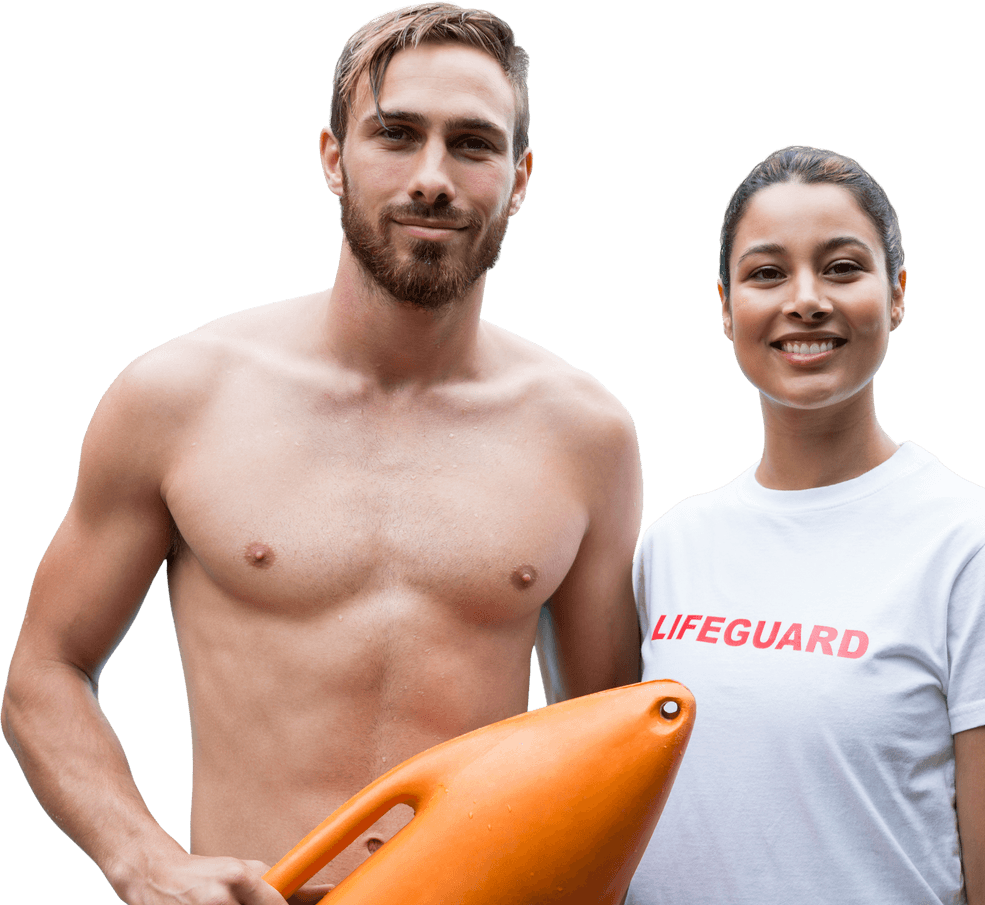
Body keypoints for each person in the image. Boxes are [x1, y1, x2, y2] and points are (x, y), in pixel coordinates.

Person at [1, 4, 643, 904]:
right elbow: (44, 671)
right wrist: (141, 856)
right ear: (334, 158)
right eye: (396, 135)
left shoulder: (588, 434)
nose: (432, 177)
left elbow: (608, 743)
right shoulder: (178, 397)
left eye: (472, 144)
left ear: (520, 177)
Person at [627, 146, 985, 905]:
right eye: (767, 273)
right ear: (726, 306)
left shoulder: (982, 549)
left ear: (896, 294)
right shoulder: (671, 544)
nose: (805, 299)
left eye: (842, 267)